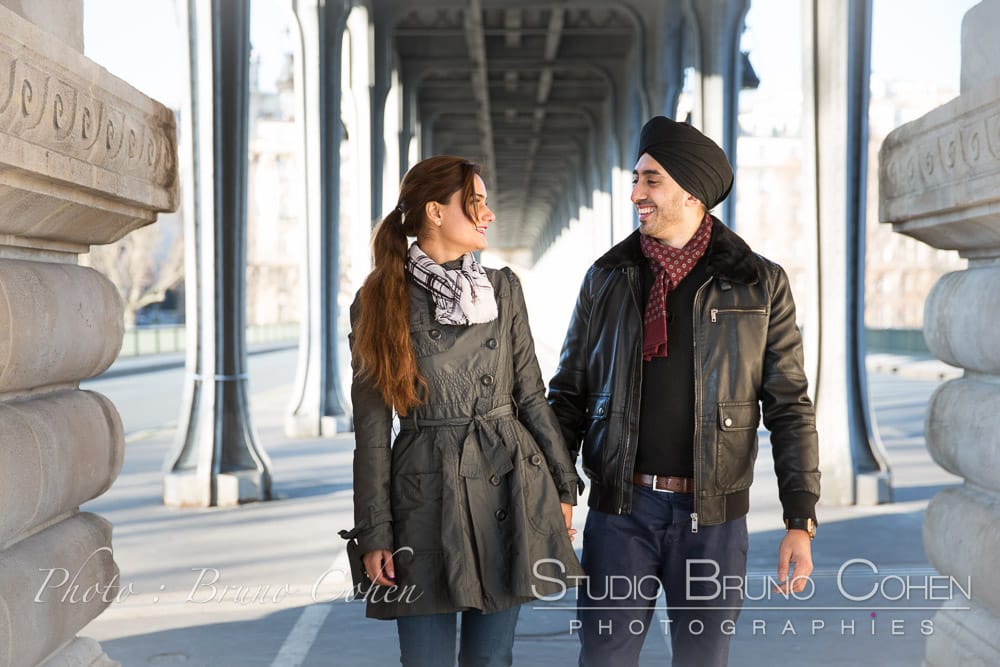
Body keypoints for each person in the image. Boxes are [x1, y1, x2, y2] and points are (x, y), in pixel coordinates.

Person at [547, 116, 821, 667]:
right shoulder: (606, 278)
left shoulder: (759, 284)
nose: (635, 194)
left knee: (702, 659)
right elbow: (569, 393)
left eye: (650, 180)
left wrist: (800, 519)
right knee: (604, 658)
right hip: (620, 510)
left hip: (714, 518)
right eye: (635, 179)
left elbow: (789, 406)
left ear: (692, 192)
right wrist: (557, 488)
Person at [345, 155, 584, 667]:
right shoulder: (378, 300)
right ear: (435, 211)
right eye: (476, 201)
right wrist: (375, 531)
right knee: (425, 660)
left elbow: (530, 394)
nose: (488, 214)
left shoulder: (502, 288)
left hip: (508, 481)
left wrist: (564, 485)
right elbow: (371, 430)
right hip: (424, 499)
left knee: (492, 661)